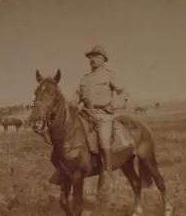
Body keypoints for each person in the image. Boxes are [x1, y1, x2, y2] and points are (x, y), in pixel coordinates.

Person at [51, 45, 129, 190]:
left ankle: (107, 172)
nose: (92, 59)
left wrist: (112, 106)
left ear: (103, 59)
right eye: (91, 57)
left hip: (103, 114)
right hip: (85, 113)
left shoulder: (109, 75)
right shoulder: (85, 78)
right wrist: (73, 102)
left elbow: (124, 93)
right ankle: (61, 169)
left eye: (96, 56)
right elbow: (77, 94)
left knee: (104, 138)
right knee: (66, 134)